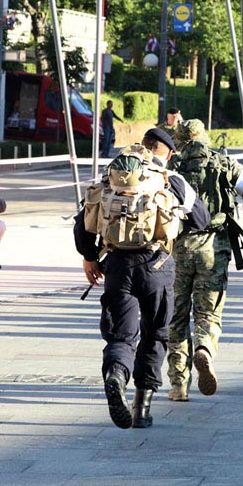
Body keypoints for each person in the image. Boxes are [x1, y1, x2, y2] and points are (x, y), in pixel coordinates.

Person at [75, 137, 206, 429]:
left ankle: (116, 376)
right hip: (157, 265)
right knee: (156, 334)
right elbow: (201, 219)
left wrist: (90, 257)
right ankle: (141, 407)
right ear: (166, 153)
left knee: (120, 336)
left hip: (117, 266)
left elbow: (83, 224)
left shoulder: (109, 177)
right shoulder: (170, 180)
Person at [167, 119, 243, 402]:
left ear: (179, 140)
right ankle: (204, 349)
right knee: (208, 312)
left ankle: (178, 385)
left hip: (176, 249)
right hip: (215, 247)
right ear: (204, 138)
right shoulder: (226, 165)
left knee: (175, 316)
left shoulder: (170, 169)